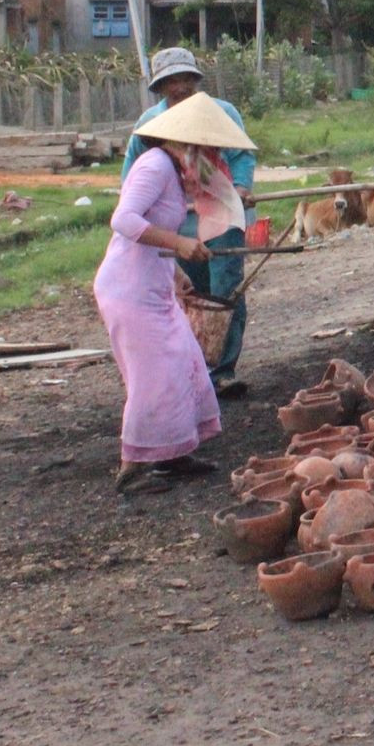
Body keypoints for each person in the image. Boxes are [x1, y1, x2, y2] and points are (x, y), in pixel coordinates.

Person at [97, 95, 257, 494]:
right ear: (188, 141)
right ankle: (132, 469)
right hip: (128, 289)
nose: (211, 157)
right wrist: (180, 244)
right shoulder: (154, 165)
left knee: (184, 361)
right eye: (207, 148)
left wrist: (177, 272)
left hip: (153, 283)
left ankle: (172, 454)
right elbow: (123, 220)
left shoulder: (172, 169)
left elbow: (155, 231)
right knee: (153, 376)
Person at [120, 48, 256, 400]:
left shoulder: (221, 112)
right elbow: (131, 179)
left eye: (185, 79)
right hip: (178, 225)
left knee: (225, 292)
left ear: (195, 80)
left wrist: (241, 188)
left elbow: (241, 157)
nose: (179, 87)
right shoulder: (150, 126)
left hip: (223, 217)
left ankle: (222, 372)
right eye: (171, 81)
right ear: (160, 87)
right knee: (189, 295)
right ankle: (194, 370)